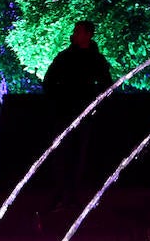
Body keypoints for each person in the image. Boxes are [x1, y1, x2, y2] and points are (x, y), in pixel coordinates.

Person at [42, 20, 114, 207]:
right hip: (65, 111)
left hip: (82, 112)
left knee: (77, 154)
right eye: (76, 31)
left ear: (88, 35)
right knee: (62, 153)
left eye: (79, 31)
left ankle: (72, 193)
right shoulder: (65, 57)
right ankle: (60, 192)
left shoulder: (96, 59)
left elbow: (107, 84)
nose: (75, 34)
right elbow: (49, 81)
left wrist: (93, 100)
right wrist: (58, 100)